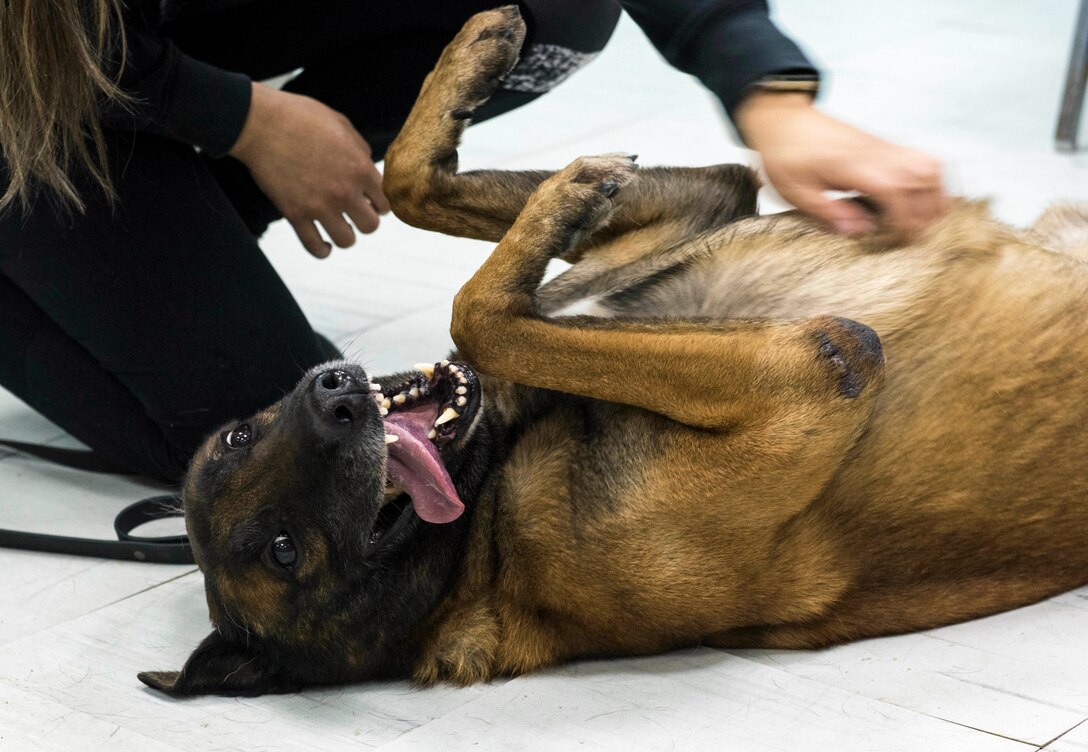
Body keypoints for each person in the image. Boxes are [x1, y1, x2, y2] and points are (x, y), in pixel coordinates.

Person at [0, 0, 946, 481]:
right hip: (28, 78)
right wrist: (242, 116)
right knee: (279, 449)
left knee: (555, 9)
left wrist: (768, 97)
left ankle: (154, 229)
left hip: (135, 50)